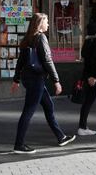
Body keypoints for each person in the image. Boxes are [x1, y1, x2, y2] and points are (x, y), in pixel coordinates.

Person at [11, 13, 76, 154]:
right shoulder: (41, 38)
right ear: (39, 24)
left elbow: (20, 62)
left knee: (48, 106)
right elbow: (47, 61)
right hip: (36, 80)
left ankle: (61, 137)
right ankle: (19, 144)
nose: (48, 24)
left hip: (30, 79)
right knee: (28, 111)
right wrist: (56, 81)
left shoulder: (27, 38)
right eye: (46, 22)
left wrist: (16, 79)